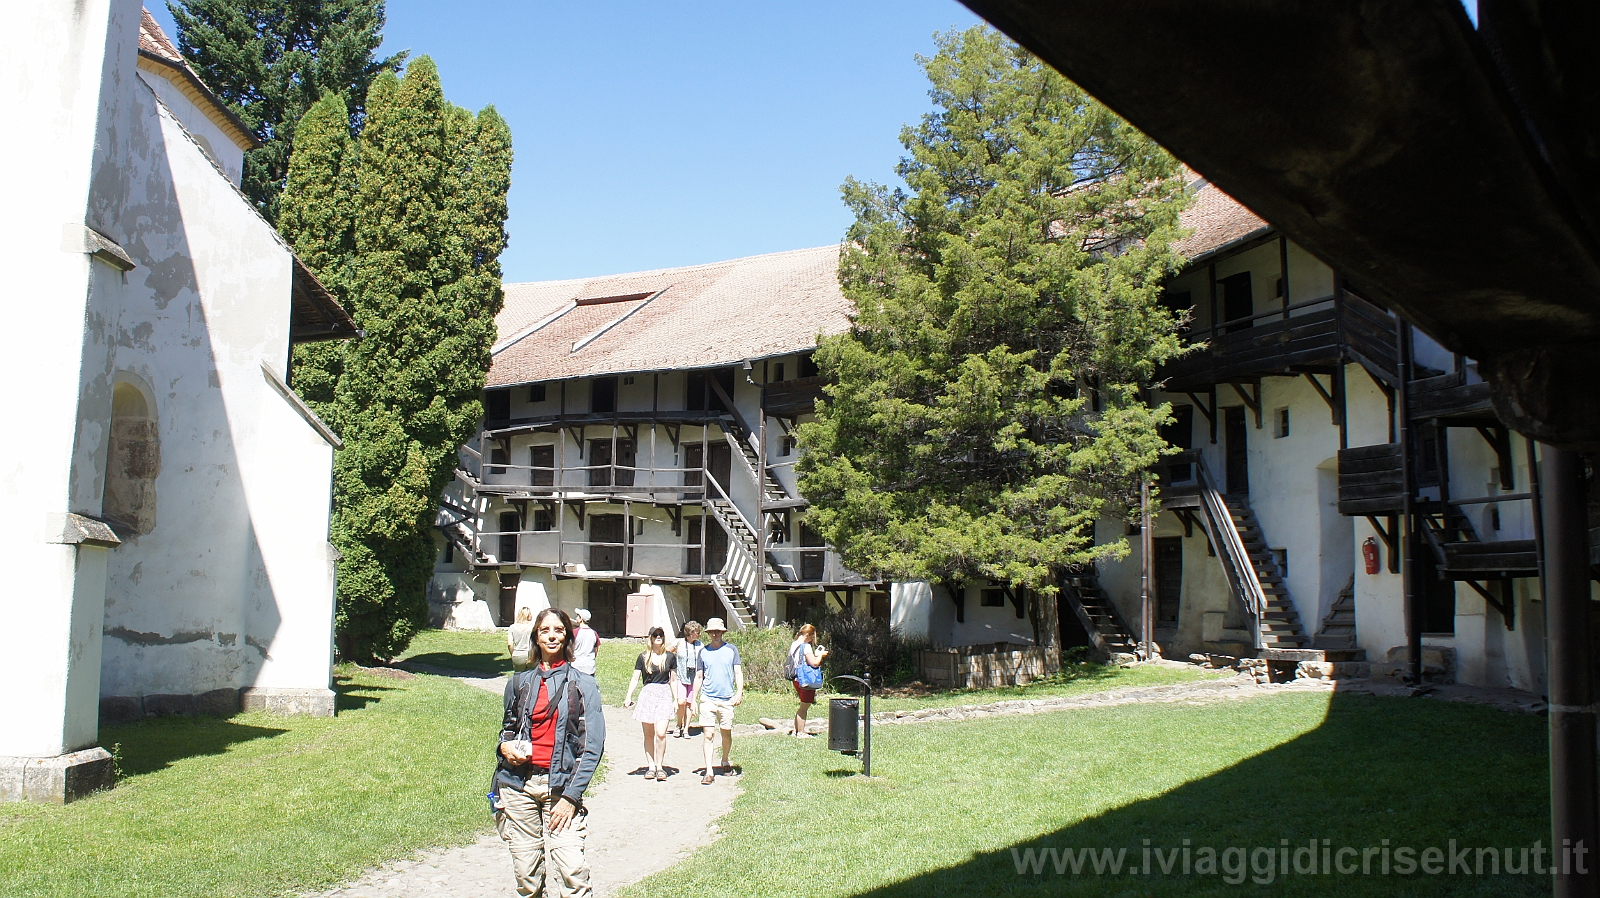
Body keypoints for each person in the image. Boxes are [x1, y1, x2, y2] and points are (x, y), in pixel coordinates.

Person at [492, 608, 606, 898]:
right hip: (519, 787)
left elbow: (592, 746)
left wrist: (570, 798)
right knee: (527, 878)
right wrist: (504, 747)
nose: (552, 635)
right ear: (536, 637)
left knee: (573, 873)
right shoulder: (518, 683)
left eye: (558, 630)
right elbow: (508, 728)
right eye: (545, 630)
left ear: (567, 635)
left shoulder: (584, 685)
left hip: (562, 788)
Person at [621, 627, 678, 781]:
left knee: (661, 733)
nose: (658, 637)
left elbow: (673, 680)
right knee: (649, 735)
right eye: (655, 635)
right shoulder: (643, 657)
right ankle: (651, 766)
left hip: (664, 694)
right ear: (651, 638)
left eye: (661, 635)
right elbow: (635, 678)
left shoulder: (670, 657)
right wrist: (628, 696)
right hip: (648, 695)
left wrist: (676, 699)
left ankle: (660, 767)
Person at [692, 617, 743, 785]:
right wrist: (693, 700)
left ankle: (725, 760)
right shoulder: (703, 652)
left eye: (717, 632)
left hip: (727, 699)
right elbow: (699, 677)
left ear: (722, 632)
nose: (715, 635)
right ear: (708, 633)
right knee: (708, 734)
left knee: (726, 732)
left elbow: (738, 673)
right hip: (708, 699)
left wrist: (739, 692)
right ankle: (709, 771)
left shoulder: (731, 650)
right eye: (712, 632)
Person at [788, 623, 828, 738]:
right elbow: (814, 663)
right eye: (811, 637)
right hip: (805, 679)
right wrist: (820, 655)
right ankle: (801, 732)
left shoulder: (794, 645)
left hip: (796, 678)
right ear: (807, 635)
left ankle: (796, 731)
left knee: (802, 705)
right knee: (804, 706)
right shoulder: (806, 646)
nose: (811, 640)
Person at [671, 621, 703, 738]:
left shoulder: (700, 645)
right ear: (690, 633)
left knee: (690, 703)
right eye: (697, 632)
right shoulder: (678, 643)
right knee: (681, 702)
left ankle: (686, 728)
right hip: (680, 676)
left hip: (694, 678)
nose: (699, 634)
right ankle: (678, 724)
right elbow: (667, 653)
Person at [571, 607, 600, 676]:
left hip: (576, 666)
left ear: (581, 619)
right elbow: (596, 651)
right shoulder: (594, 633)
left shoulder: (575, 632)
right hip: (590, 668)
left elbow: (569, 648)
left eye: (578, 616)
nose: (576, 617)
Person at [507, 606, 536, 673]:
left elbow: (510, 644)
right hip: (530, 654)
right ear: (528, 615)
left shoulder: (512, 627)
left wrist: (513, 654)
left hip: (518, 654)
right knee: (531, 676)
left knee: (518, 676)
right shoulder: (532, 627)